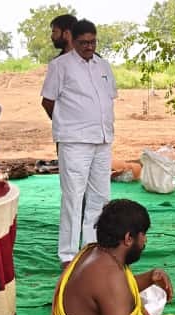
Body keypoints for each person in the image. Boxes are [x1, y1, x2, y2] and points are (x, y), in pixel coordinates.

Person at [41, 19, 117, 268]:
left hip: (103, 139)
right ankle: (68, 255)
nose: (89, 47)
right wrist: (67, 124)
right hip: (74, 142)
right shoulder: (60, 66)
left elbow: (109, 98)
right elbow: (48, 101)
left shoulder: (103, 65)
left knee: (100, 196)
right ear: (72, 40)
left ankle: (93, 247)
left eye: (93, 42)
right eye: (83, 42)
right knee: (73, 197)